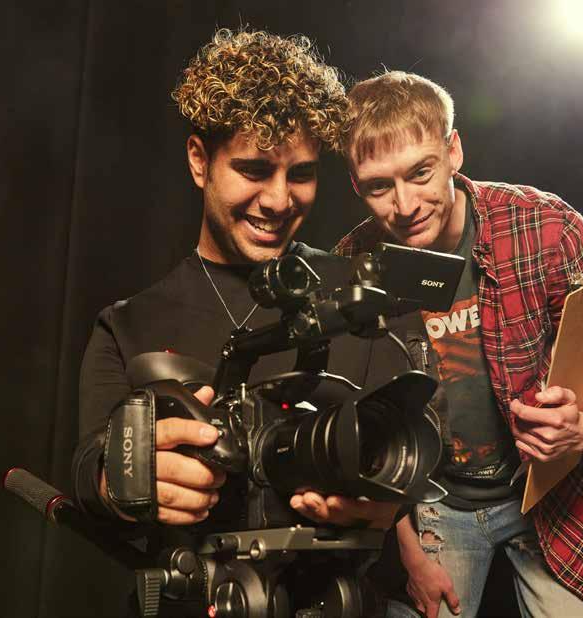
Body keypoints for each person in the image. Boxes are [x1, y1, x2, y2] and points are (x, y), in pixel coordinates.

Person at [71, 29, 403, 616]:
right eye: (253, 169)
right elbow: (89, 468)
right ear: (199, 161)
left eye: (300, 174)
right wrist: (123, 479)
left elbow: (418, 439)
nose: (278, 200)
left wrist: (392, 500)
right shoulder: (129, 324)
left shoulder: (359, 300)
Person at [333, 71, 583, 618]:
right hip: (434, 508)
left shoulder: (544, 228)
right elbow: (358, 428)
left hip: (553, 497)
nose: (405, 204)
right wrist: (409, 552)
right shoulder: (354, 267)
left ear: (453, 151)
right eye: (379, 187)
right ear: (355, 186)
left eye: (421, 172)